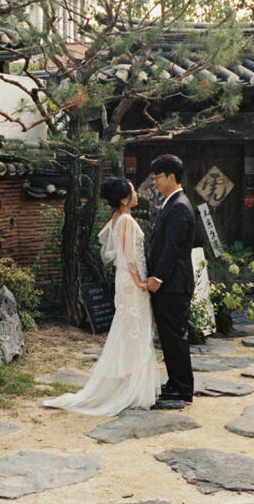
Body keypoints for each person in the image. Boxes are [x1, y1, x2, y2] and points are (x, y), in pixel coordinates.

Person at [42, 177, 159, 415]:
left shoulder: (117, 218)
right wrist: (139, 281)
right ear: (125, 199)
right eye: (134, 191)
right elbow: (128, 255)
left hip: (125, 280)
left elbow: (114, 253)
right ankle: (131, 387)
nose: (137, 194)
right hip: (132, 281)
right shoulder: (125, 219)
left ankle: (129, 383)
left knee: (129, 328)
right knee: (134, 329)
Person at [144, 154, 196, 407]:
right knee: (170, 336)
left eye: (158, 176)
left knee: (174, 336)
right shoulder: (173, 203)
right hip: (171, 283)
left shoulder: (179, 206)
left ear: (171, 176)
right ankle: (176, 382)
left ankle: (183, 387)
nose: (155, 181)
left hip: (173, 284)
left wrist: (158, 278)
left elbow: (173, 248)